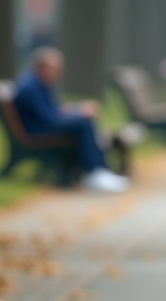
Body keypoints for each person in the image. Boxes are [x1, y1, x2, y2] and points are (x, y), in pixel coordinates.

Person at [12, 47, 128, 193]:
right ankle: (93, 173)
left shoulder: (38, 81)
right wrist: (79, 114)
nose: (58, 73)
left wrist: (78, 109)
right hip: (35, 131)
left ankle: (100, 171)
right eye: (54, 68)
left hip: (41, 126)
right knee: (84, 123)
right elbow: (50, 119)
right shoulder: (30, 88)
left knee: (84, 119)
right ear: (41, 67)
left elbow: (55, 109)